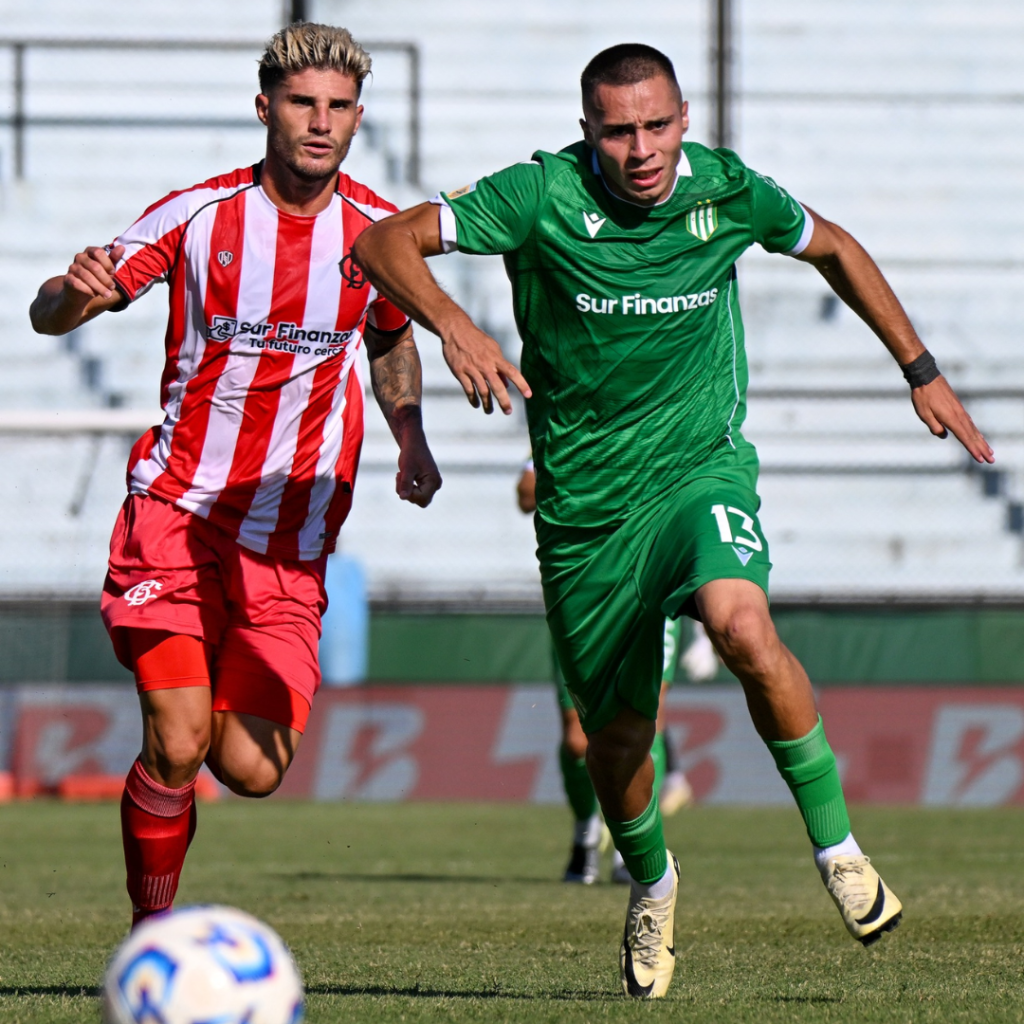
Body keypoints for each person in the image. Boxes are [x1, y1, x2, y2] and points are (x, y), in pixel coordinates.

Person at [353, 43, 993, 998]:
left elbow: (836, 247)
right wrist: (455, 321)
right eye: (618, 130)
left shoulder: (728, 191)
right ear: (589, 133)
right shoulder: (538, 195)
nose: (641, 147)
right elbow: (380, 244)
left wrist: (922, 372)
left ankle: (841, 851)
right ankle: (652, 885)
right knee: (613, 742)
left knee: (742, 624)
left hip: (701, 471)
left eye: (657, 125)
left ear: (684, 118)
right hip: (587, 507)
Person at [29, 23, 441, 929]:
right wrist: (73, 289)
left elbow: (391, 339)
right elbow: (48, 315)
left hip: (288, 543)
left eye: (337, 108)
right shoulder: (197, 215)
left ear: (359, 118)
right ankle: (152, 934)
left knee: (251, 769)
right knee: (178, 745)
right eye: (302, 104)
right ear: (266, 109)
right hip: (174, 513)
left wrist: (409, 434)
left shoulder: (376, 234)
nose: (319, 123)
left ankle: (203, 678)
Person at [518, 460, 691, 886]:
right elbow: (525, 494)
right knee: (578, 738)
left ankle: (630, 846)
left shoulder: (660, 424)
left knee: (650, 719)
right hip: (582, 588)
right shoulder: (571, 422)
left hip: (651, 588)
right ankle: (585, 834)